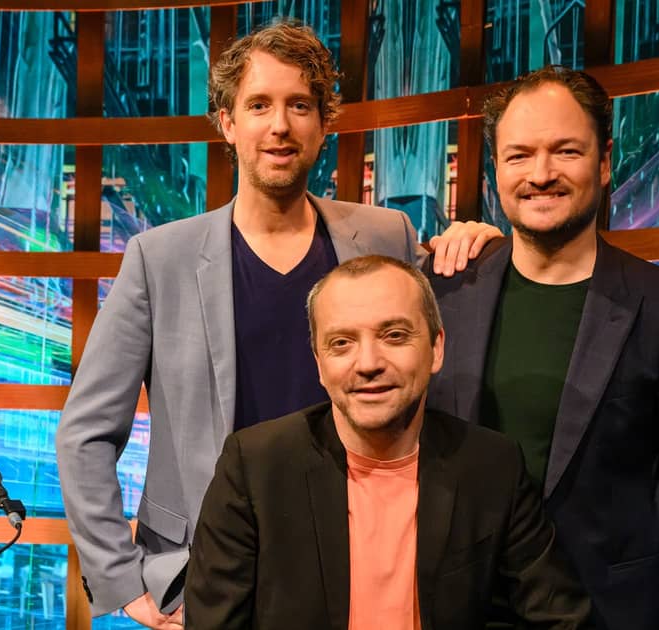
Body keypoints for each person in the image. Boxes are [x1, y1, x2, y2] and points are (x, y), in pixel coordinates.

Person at [56, 23, 499, 628]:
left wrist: (473, 243)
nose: (280, 126)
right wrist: (120, 578)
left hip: (365, 564)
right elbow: (84, 433)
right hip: (208, 573)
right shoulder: (159, 259)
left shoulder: (385, 235)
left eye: (300, 106)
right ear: (228, 123)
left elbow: (429, 351)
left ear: (323, 124)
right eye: (259, 105)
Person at [425, 66, 659, 629]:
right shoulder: (445, 292)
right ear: (496, 168)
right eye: (519, 155)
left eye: (565, 151)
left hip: (605, 611)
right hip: (462, 609)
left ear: (604, 160)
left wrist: (623, 561)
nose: (541, 174)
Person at [184, 256, 593, 630]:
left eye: (394, 335)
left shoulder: (492, 466)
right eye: (341, 343)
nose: (368, 363)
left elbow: (561, 619)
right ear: (319, 364)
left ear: (436, 348)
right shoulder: (254, 466)